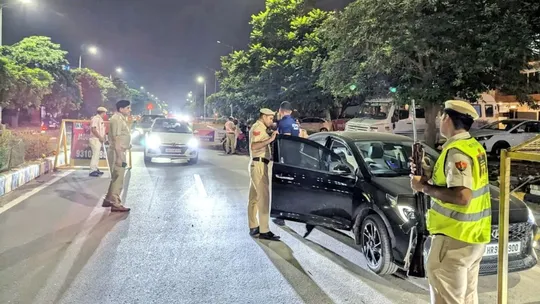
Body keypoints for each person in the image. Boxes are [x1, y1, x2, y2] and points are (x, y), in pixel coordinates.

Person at [410, 100, 491, 304]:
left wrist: (423, 187)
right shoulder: (473, 146)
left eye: (441, 117)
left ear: (447, 118)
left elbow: (462, 197)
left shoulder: (457, 152)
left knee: (448, 299)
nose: (439, 121)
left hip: (454, 239)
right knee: (467, 298)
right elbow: (459, 182)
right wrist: (428, 173)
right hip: (472, 237)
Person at [248, 108, 280, 241]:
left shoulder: (261, 128)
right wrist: (271, 139)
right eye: (270, 118)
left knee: (254, 198)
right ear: (264, 116)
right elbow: (254, 146)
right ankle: (264, 230)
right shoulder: (258, 127)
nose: (271, 121)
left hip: (258, 164)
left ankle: (253, 226)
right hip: (259, 164)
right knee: (264, 198)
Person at [103, 100, 132, 212]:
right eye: (128, 108)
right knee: (118, 177)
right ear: (121, 109)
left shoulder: (120, 119)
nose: (130, 110)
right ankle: (116, 203)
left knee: (116, 176)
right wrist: (120, 157)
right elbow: (116, 138)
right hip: (117, 152)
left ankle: (109, 199)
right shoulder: (116, 119)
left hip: (119, 151)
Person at [89, 107, 107, 177]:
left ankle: (95, 168)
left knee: (97, 155)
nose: (105, 114)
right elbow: (93, 129)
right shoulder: (95, 119)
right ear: (102, 112)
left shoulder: (100, 119)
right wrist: (100, 137)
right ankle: (92, 170)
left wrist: (103, 137)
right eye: (105, 112)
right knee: (95, 155)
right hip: (95, 139)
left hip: (98, 139)